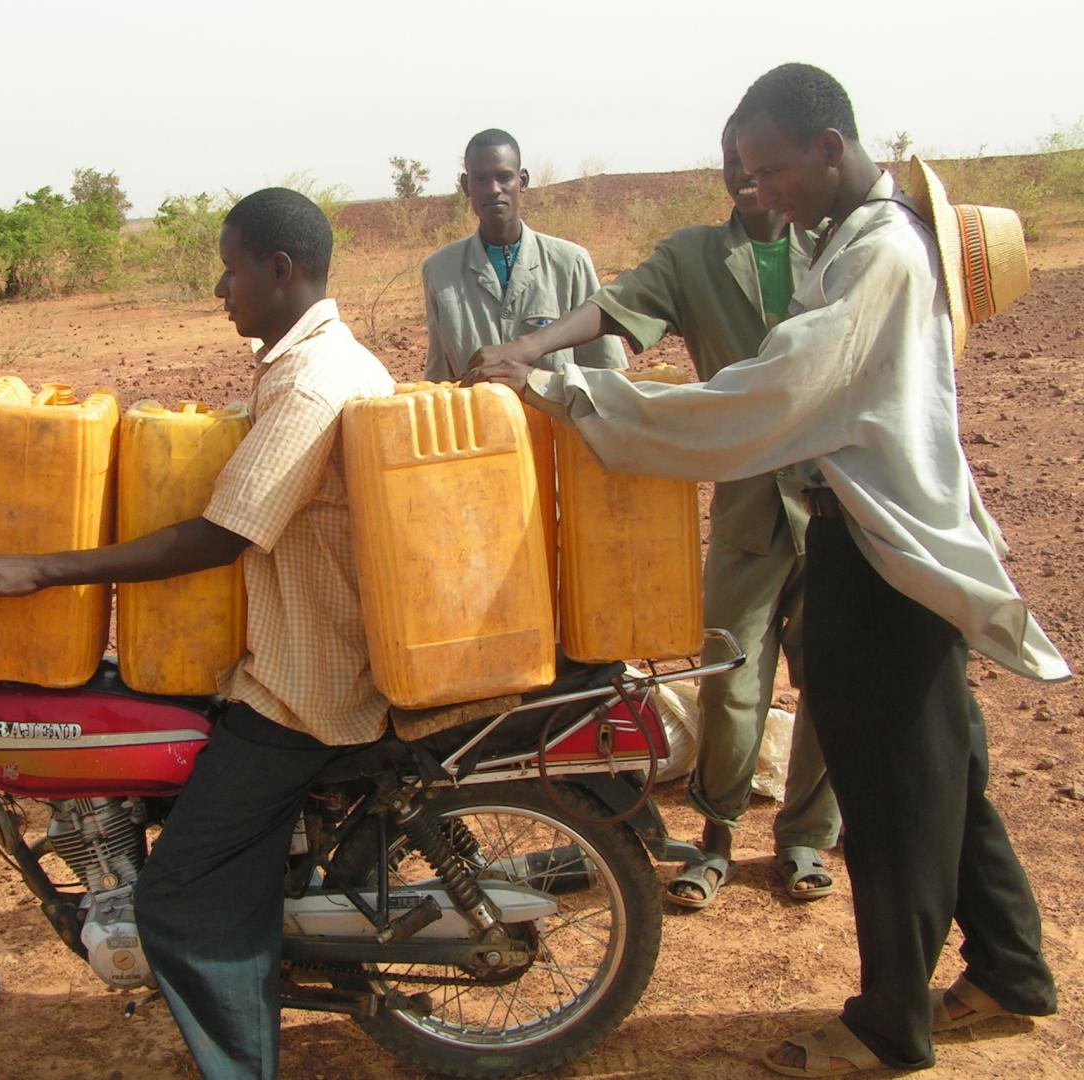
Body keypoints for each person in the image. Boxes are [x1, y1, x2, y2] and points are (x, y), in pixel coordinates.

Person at [465, 63, 1064, 1076]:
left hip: (877, 560)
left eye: (771, 169)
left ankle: (886, 1028)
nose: (760, 192)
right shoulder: (850, 243)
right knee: (945, 773)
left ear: (831, 149)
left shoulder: (876, 257)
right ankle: (1010, 973)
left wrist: (579, 397)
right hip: (895, 547)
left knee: (890, 801)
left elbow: (771, 396)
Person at [0, 187, 395, 1080]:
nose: (220, 289)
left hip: (307, 683)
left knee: (181, 899)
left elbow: (222, 533)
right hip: (293, 644)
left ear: (279, 269)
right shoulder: (304, 360)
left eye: (229, 269)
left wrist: (43, 568)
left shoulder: (313, 380)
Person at [586, 116, 839, 909]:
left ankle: (804, 839)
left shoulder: (834, 247)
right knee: (732, 677)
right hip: (748, 503)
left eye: (756, 160)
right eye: (732, 162)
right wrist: (531, 353)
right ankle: (718, 838)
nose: (745, 175)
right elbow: (613, 308)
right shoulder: (694, 256)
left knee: (831, 677)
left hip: (837, 498)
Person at [422, 127, 626, 382]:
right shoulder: (440, 271)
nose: (493, 189)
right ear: (466, 186)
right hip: (477, 421)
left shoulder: (570, 263)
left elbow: (607, 373)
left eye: (504, 177)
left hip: (556, 420)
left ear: (523, 181)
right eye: (481, 179)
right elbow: (439, 380)